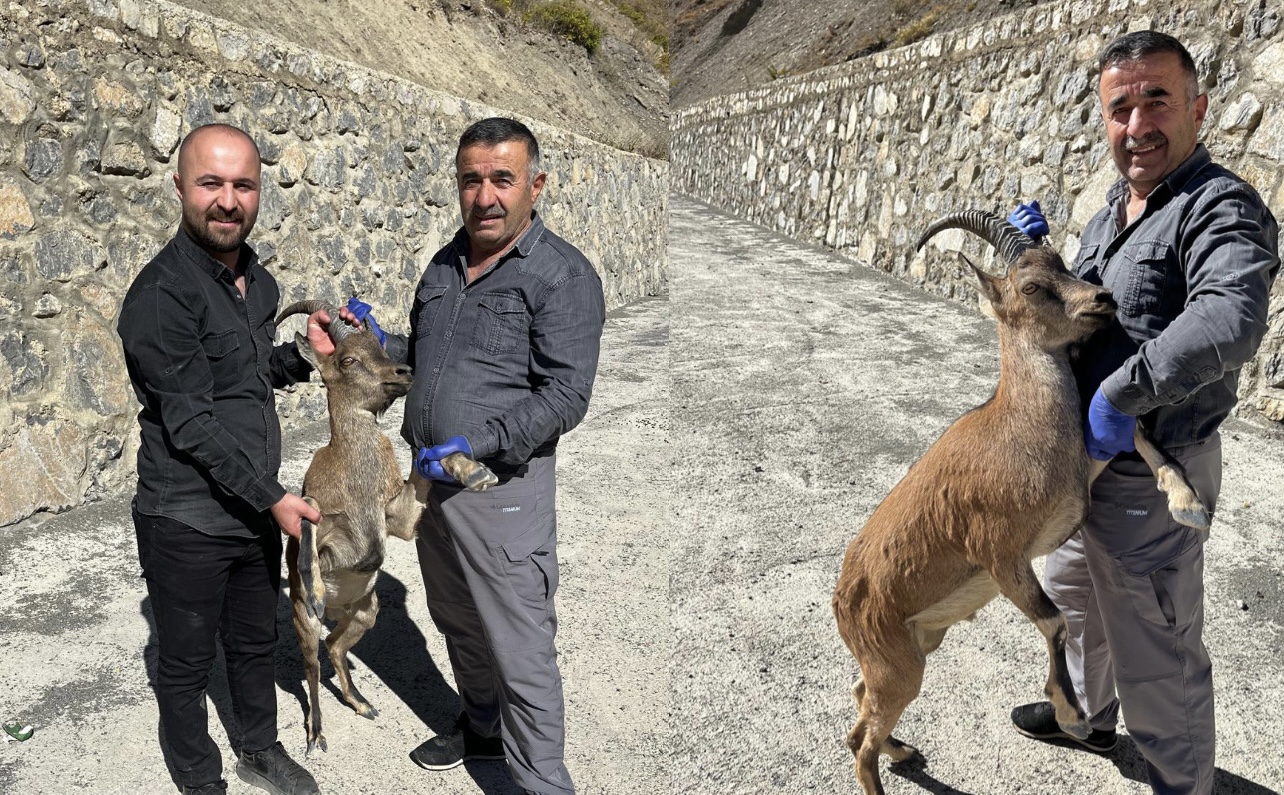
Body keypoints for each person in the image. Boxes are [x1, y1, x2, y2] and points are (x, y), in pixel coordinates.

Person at [1005, 31, 1279, 795]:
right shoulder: (1112, 215)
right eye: (1120, 107)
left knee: (1156, 645)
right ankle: (1088, 715)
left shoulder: (1220, 206)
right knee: (1075, 601)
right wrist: (1047, 256)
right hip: (1080, 469)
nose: (1138, 123)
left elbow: (1230, 316)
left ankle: (1180, 777)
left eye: (1157, 99)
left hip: (1153, 480)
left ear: (1197, 106)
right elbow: (1094, 309)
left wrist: (1119, 394)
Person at [346, 116, 605, 795]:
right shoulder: (443, 265)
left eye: (502, 179)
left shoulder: (561, 275)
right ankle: (482, 728)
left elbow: (566, 395)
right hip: (428, 489)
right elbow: (427, 357)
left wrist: (482, 439)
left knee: (521, 650)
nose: (484, 195)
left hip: (500, 490)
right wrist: (377, 344)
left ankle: (542, 782)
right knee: (457, 617)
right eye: (471, 179)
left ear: (535, 186)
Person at [117, 123, 331, 795]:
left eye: (242, 184)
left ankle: (257, 747)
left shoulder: (257, 282)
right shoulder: (160, 296)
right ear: (180, 187)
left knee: (251, 642)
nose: (228, 200)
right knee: (183, 664)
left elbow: (245, 375)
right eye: (211, 183)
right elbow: (192, 421)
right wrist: (272, 496)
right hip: (185, 515)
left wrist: (301, 358)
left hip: (252, 506)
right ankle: (199, 777)